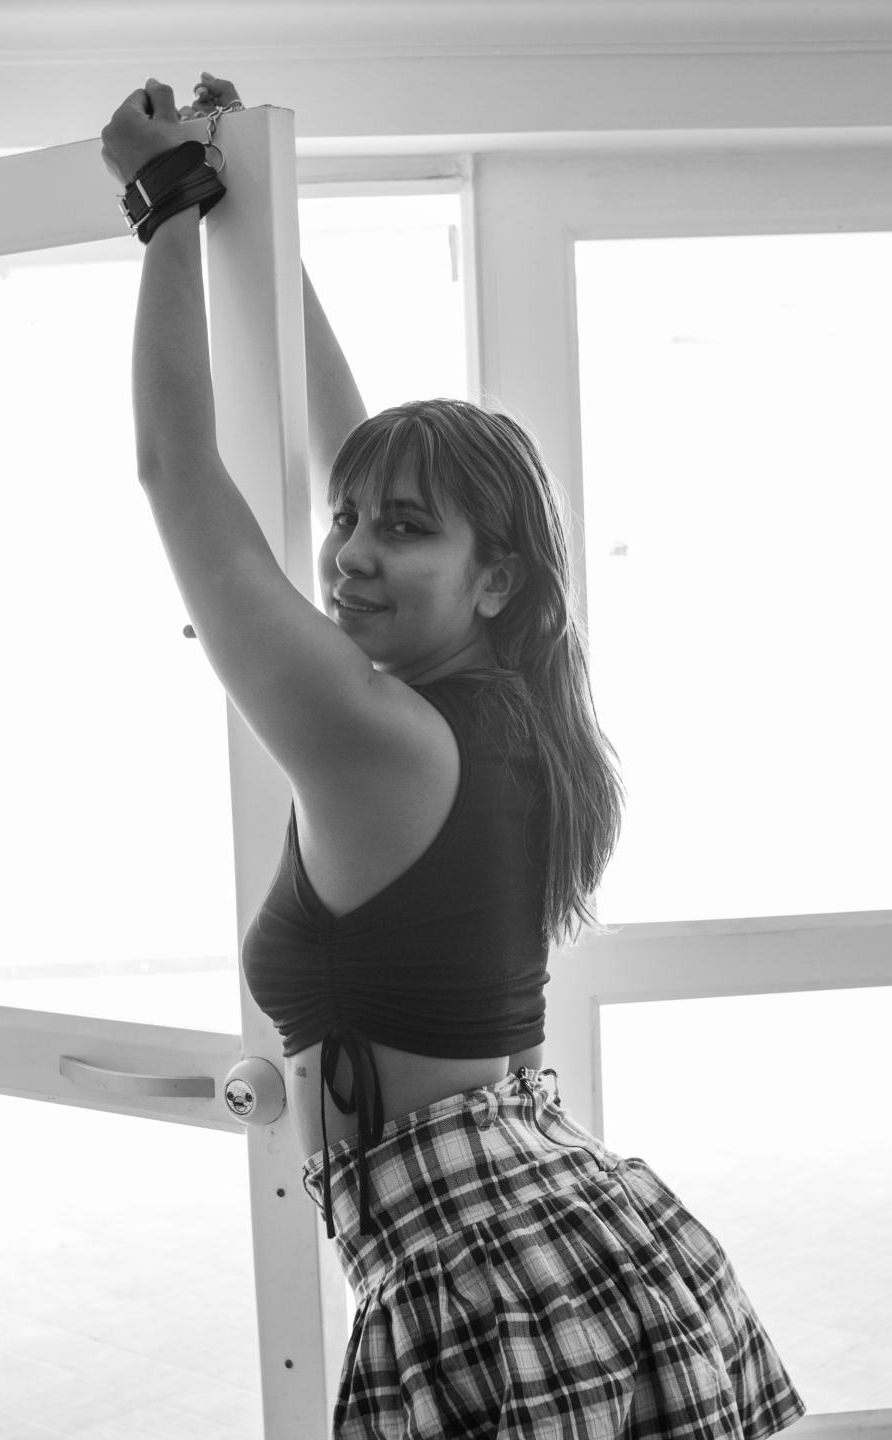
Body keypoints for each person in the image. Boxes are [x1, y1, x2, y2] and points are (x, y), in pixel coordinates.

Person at [101, 72, 808, 1439]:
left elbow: (179, 474)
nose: (351, 553)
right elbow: (348, 454)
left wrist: (164, 204)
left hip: (489, 1274)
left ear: (496, 580)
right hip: (564, 1230)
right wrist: (253, 219)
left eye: (405, 530)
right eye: (348, 519)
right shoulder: (515, 710)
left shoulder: (377, 732)